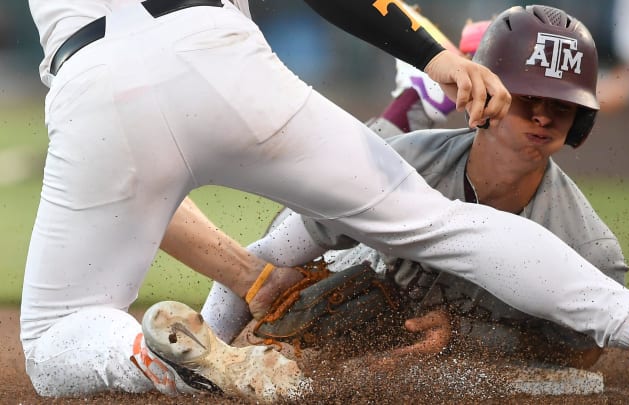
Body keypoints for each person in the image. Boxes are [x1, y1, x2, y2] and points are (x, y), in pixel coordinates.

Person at [198, 4, 629, 397]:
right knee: (330, 210)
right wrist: (205, 358)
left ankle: (415, 102)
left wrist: (470, 339)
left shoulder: (590, 250)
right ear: (487, 94)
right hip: (379, 216)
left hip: (444, 317)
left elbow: (581, 352)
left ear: (580, 117)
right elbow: (266, 253)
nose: (542, 116)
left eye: (560, 105)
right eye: (527, 97)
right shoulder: (409, 161)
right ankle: (415, 102)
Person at [22, 0, 515, 401]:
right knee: (401, 220)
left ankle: (152, 358)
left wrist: (253, 277)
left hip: (96, 72)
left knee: (55, 336)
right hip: (225, 52)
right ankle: (413, 107)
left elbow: (139, 184)